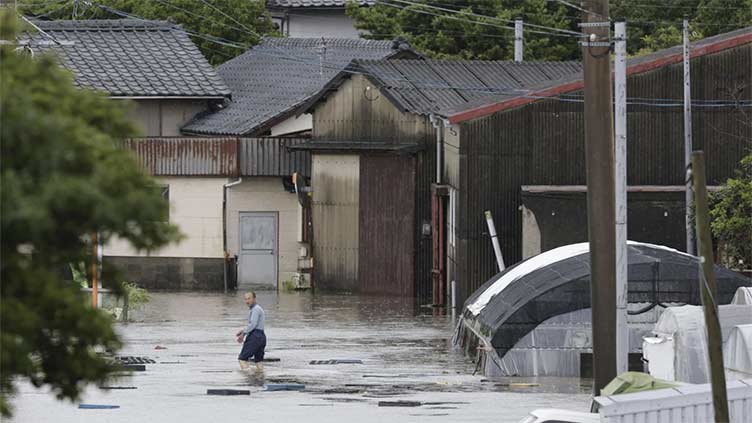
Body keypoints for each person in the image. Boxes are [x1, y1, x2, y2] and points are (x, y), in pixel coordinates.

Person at [236, 291, 266, 371]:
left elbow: (253, 324)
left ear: (254, 299)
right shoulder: (258, 309)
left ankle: (248, 379)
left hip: (255, 336)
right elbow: (255, 324)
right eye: (245, 299)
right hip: (261, 337)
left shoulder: (255, 309)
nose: (247, 301)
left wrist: (244, 333)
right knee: (259, 361)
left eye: (249, 299)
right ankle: (261, 378)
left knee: (242, 359)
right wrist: (243, 330)